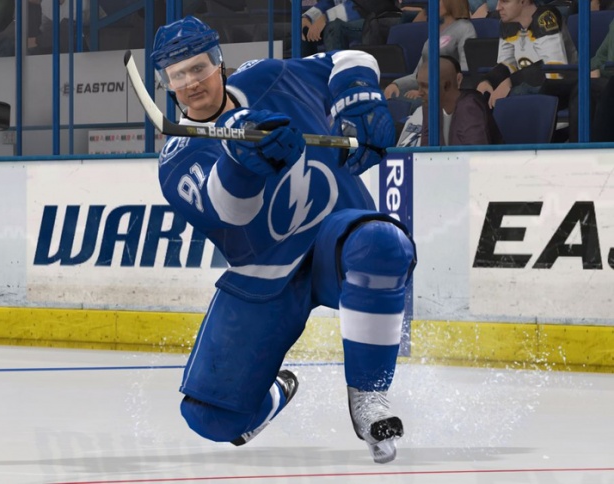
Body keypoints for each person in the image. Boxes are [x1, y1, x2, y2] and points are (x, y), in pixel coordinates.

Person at [150, 16, 416, 464]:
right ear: (167, 85)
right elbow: (230, 212)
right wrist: (240, 161)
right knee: (210, 419)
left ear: (219, 63)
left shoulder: (269, 77)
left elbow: (349, 57)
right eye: (178, 75)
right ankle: (275, 390)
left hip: (334, 238)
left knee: (382, 242)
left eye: (198, 68)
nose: (191, 82)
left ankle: (369, 398)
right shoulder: (177, 159)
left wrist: (359, 97)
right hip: (265, 276)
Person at [476, 0, 576, 110]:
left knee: (514, 94)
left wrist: (511, 81)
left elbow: (554, 69)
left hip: (560, 88)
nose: (497, 7)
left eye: (505, 1)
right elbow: (508, 65)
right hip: (526, 85)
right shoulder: (507, 22)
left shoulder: (546, 17)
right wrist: (488, 80)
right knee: (483, 96)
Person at [398, 55, 502, 146]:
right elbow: (426, 151)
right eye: (419, 85)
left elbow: (475, 155)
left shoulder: (470, 106)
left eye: (425, 86)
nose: (419, 92)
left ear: (446, 85)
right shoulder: (429, 108)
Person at [384, 0, 476, 101]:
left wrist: (426, 90)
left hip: (446, 94)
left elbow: (465, 71)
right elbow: (418, 74)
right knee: (387, 97)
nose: (432, 5)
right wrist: (396, 84)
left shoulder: (465, 28)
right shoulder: (435, 30)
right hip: (426, 89)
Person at [300, 0, 364, 56]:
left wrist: (326, 17)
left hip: (367, 23)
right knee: (304, 28)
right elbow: (329, 2)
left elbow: (358, 6)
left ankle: (335, 65)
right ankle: (306, 65)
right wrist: (308, 17)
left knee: (334, 27)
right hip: (343, 18)